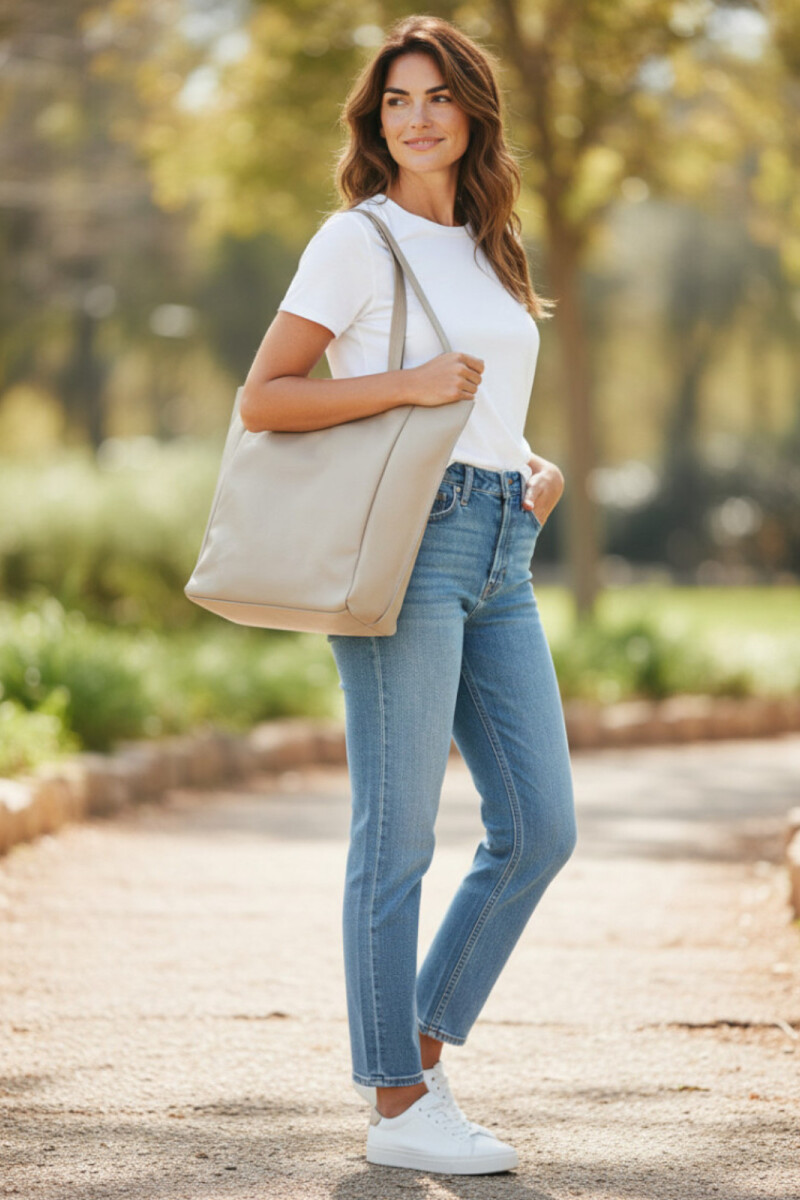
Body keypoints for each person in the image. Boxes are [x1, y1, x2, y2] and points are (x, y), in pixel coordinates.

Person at [240, 14, 577, 1176]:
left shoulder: (492, 242)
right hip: (405, 549)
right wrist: (411, 384)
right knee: (394, 838)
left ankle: (416, 1052)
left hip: (500, 540)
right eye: (395, 100)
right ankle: (394, 1108)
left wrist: (530, 465)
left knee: (539, 828)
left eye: (436, 96)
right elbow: (266, 398)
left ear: (473, 111)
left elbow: (479, 398)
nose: (417, 115)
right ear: (373, 121)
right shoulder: (355, 240)